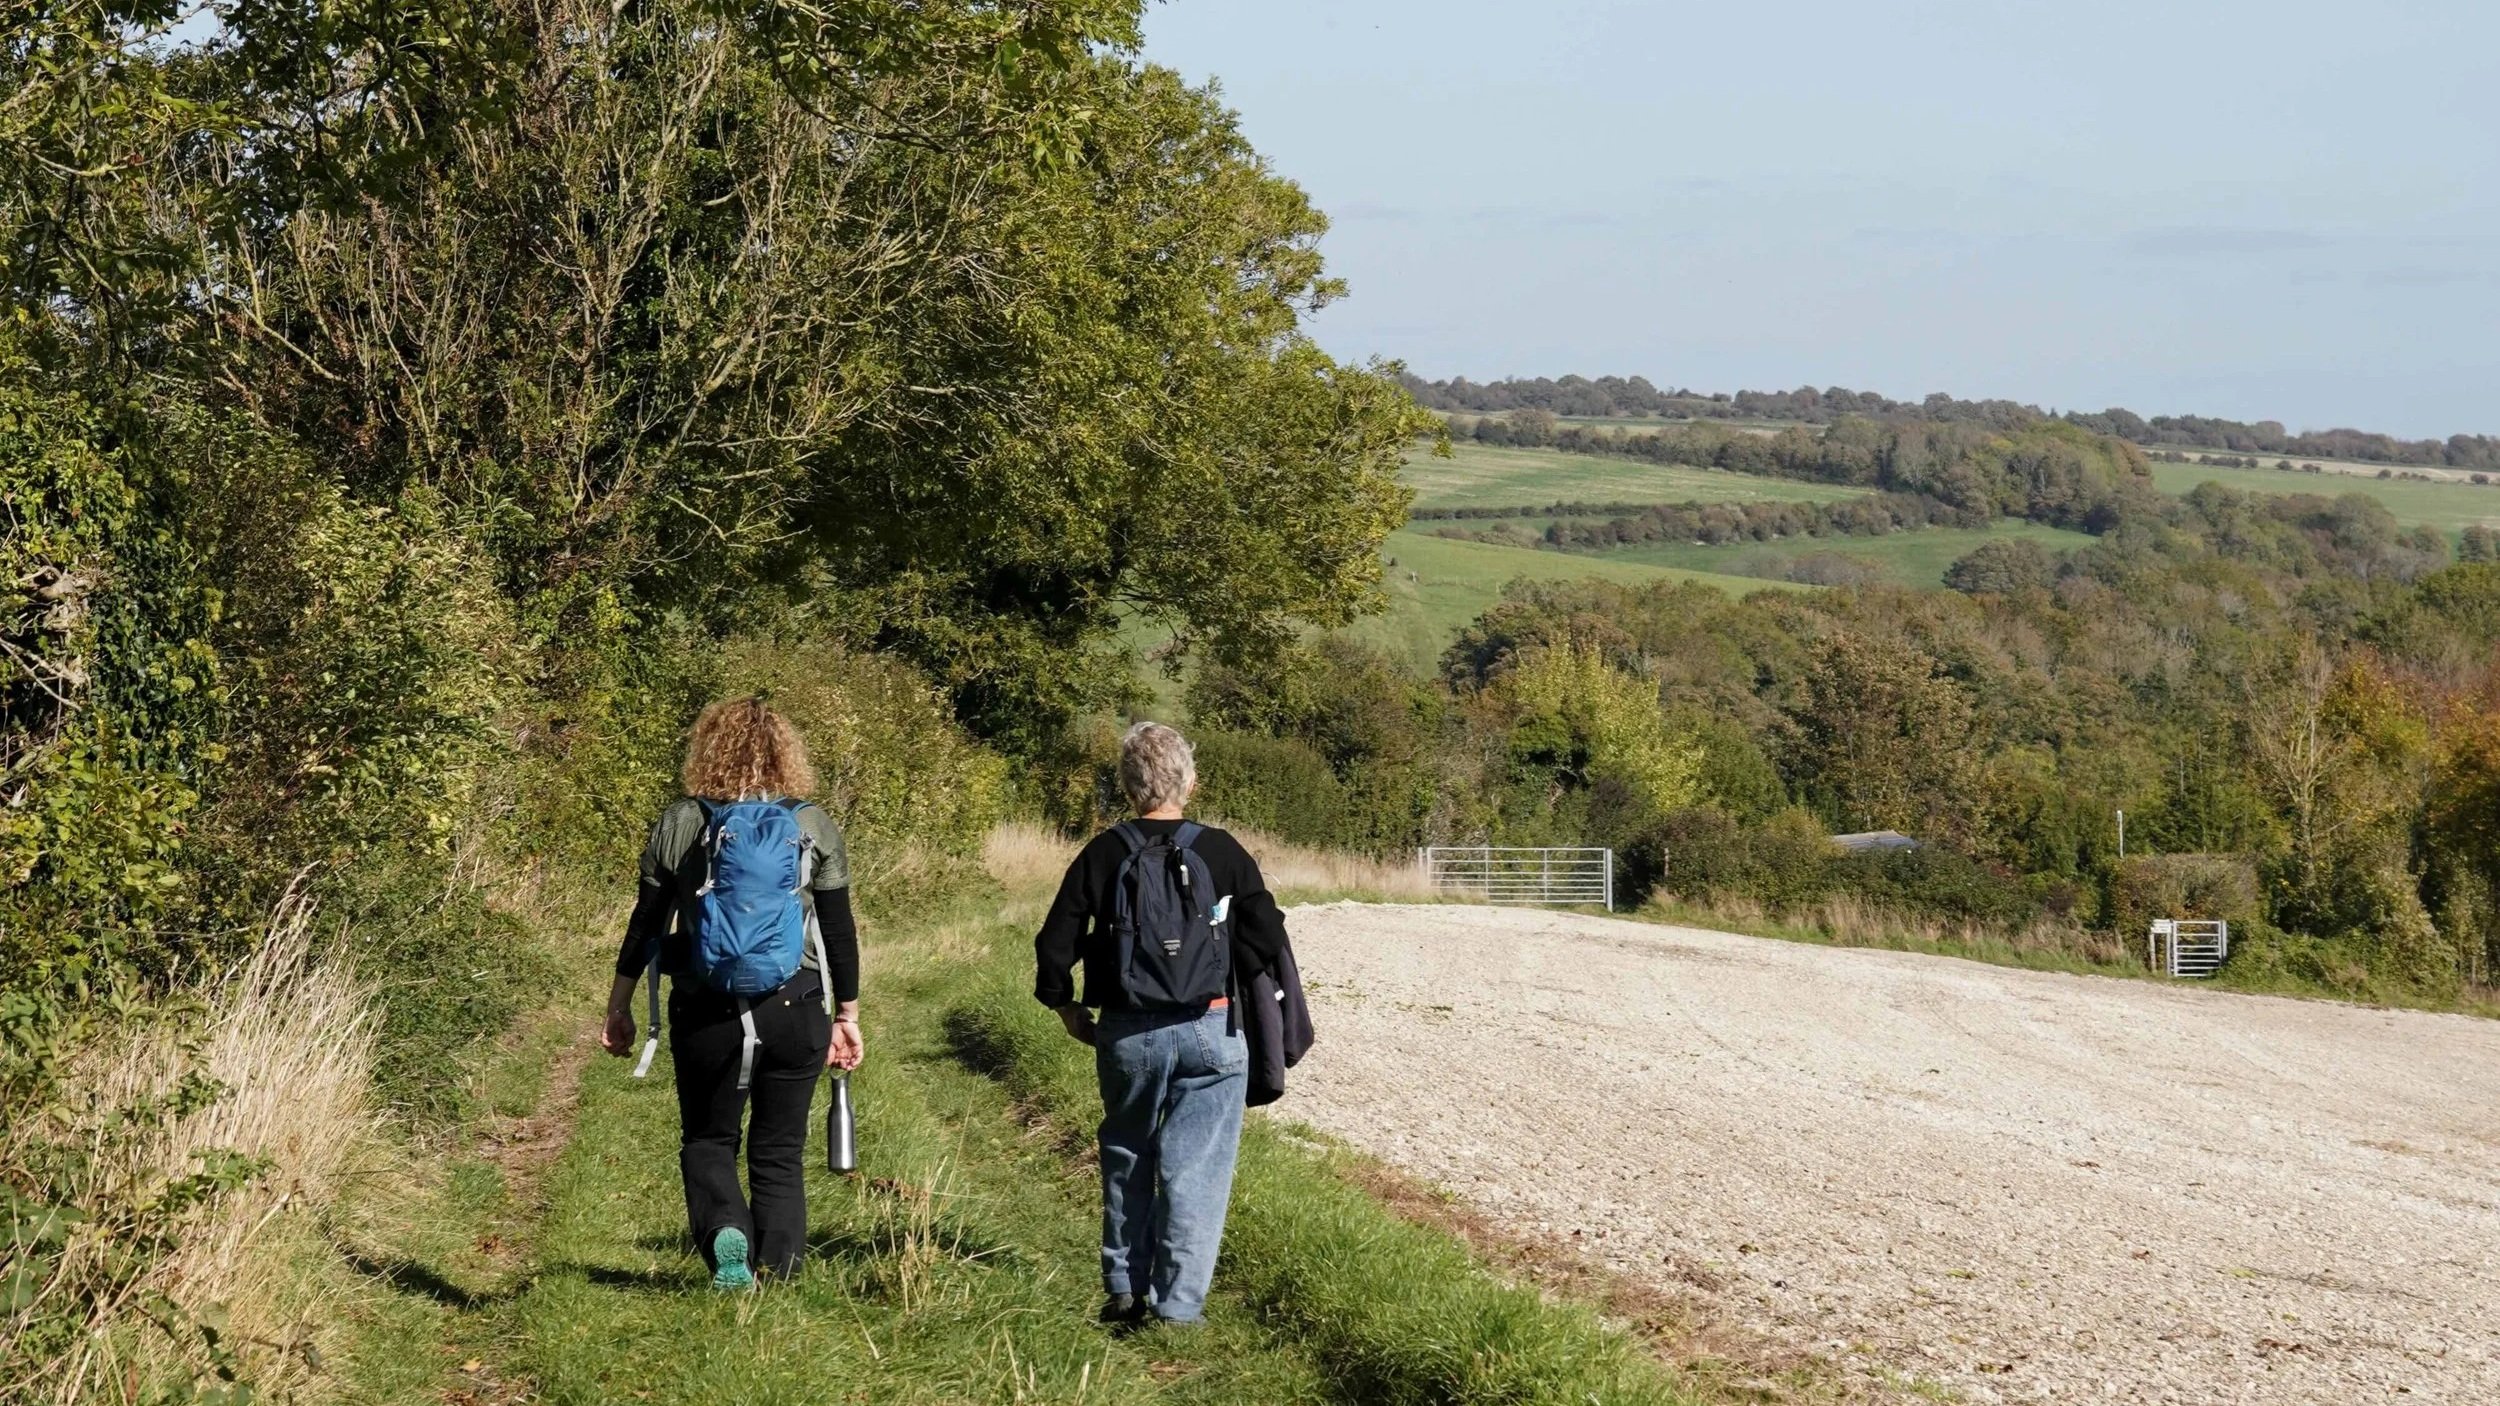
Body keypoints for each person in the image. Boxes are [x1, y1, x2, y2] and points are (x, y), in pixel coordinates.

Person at [600, 697, 864, 1290]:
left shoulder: (682, 821)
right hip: (795, 1005)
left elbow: (645, 925)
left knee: (709, 1138)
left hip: (706, 1007)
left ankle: (727, 1233)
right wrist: (846, 1014)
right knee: (779, 1150)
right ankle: (781, 1272)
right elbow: (839, 934)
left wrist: (618, 1006)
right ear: (786, 756)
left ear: (707, 751)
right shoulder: (810, 824)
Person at [1034, 721, 1289, 1328]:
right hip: (1214, 1028)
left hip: (1128, 1031)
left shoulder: (1104, 852)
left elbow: (1055, 942)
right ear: (1190, 783)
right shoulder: (1222, 850)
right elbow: (1268, 933)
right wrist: (1225, 972)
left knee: (1127, 1153)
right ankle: (1178, 1311)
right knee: (1196, 1170)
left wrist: (1064, 1004)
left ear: (1128, 788)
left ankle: (1124, 1290)